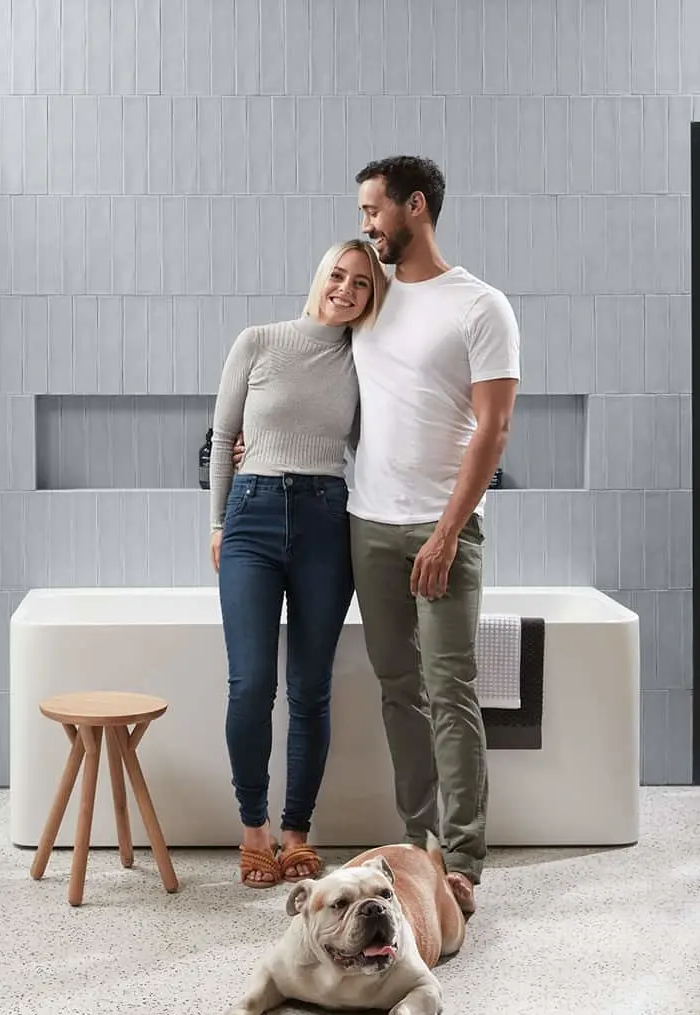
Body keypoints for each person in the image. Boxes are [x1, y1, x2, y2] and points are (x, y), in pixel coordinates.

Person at [233, 157, 519, 915]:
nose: (365, 223)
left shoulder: (480, 306)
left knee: (450, 689)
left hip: (441, 531)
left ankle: (461, 862)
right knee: (401, 692)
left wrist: (447, 533)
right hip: (366, 524)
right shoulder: (373, 302)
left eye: (373, 210)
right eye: (362, 213)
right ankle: (420, 840)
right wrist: (253, 448)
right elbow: (313, 386)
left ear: (413, 207)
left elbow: (494, 431)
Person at [209, 238, 387, 888]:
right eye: (338, 275)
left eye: (362, 284)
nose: (346, 289)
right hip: (252, 514)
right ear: (320, 275)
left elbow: (374, 447)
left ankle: (295, 835)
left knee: (310, 689)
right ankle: (253, 827)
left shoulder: (364, 361)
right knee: (251, 683)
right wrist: (217, 522)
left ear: (371, 298)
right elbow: (224, 436)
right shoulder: (257, 341)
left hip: (325, 521)